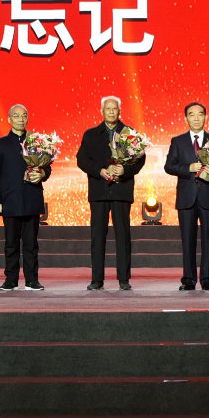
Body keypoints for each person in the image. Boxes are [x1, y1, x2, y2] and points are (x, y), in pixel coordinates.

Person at [75, 96, 146, 290]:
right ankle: (97, 280)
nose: (112, 112)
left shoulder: (130, 133)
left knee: (123, 235)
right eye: (108, 109)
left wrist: (125, 170)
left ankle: (124, 279)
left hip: (121, 190)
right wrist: (99, 170)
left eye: (115, 109)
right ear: (102, 111)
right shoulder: (91, 134)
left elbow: (140, 159)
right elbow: (82, 159)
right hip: (99, 191)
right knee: (97, 236)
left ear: (119, 111)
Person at [163, 102, 209, 290]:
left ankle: (208, 281)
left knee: (208, 241)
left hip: (208, 196)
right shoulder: (178, 141)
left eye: (200, 114)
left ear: (205, 117)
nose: (196, 118)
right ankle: (188, 280)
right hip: (186, 198)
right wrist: (188, 168)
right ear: (186, 118)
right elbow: (169, 166)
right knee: (187, 241)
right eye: (192, 114)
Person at [0, 104, 50, 290]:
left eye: (24, 115)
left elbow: (47, 168)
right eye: (16, 116)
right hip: (10, 200)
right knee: (11, 244)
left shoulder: (37, 142)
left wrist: (42, 174)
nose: (21, 119)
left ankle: (32, 280)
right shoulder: (0, 144)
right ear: (9, 119)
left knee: (31, 244)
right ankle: (11, 280)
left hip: (31, 197)